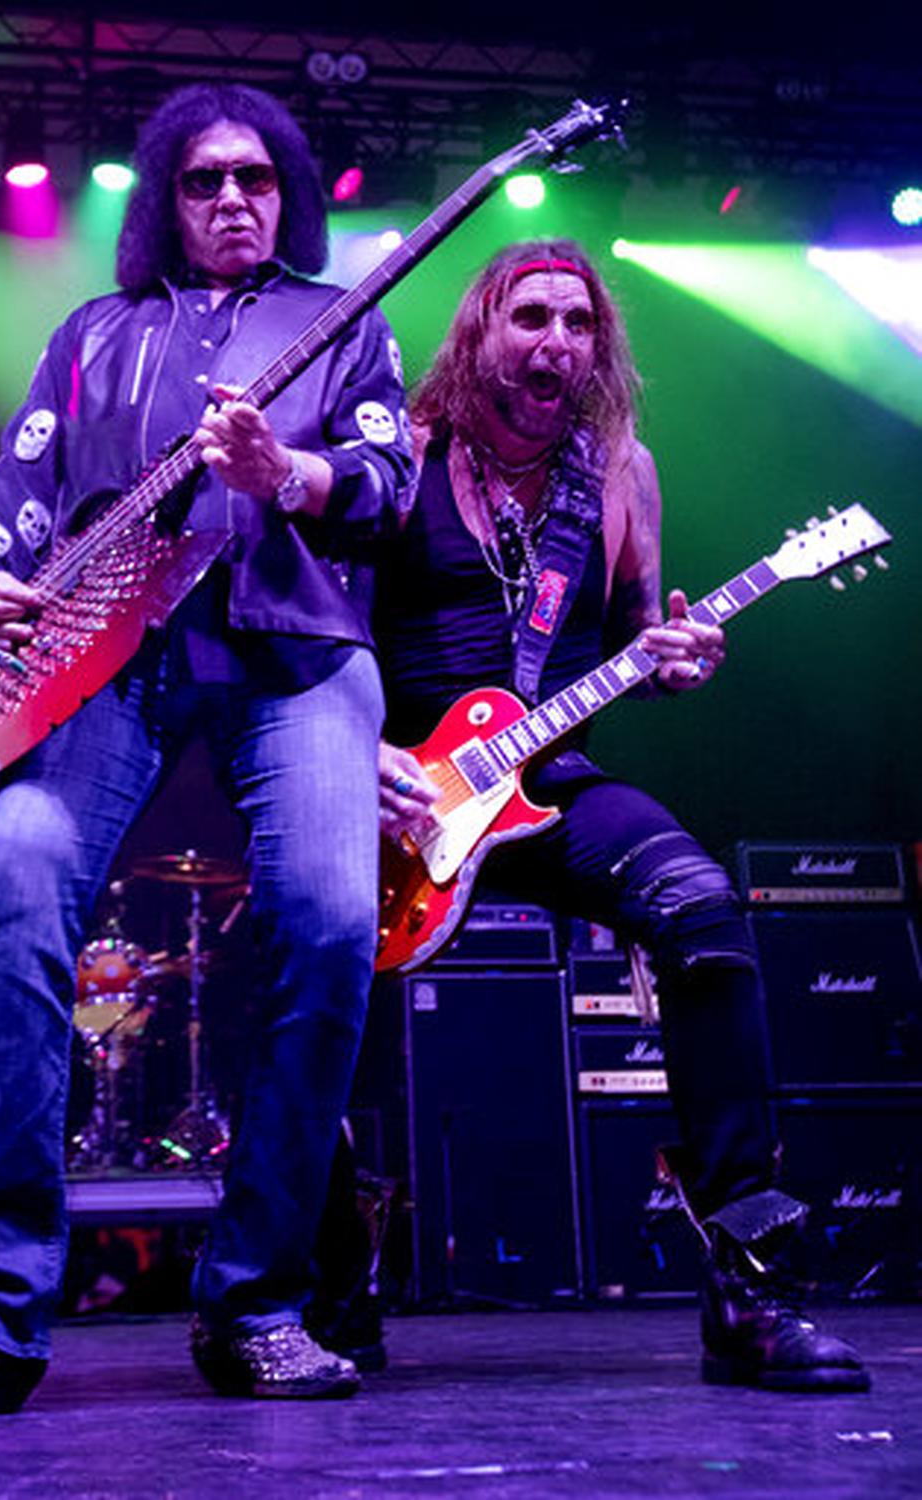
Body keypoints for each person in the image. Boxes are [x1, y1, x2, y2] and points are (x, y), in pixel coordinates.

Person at [0, 83, 412, 1424]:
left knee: (332, 926)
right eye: (204, 180)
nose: (231, 200)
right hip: (105, 661)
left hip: (297, 653)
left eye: (256, 179)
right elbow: (16, 491)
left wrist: (285, 474)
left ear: (287, 195)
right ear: (166, 199)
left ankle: (258, 1304)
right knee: (13, 897)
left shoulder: (344, 323)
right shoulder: (95, 335)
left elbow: (387, 484)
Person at [372, 239, 869, 1393]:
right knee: (316, 973)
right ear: (480, 333)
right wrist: (361, 756)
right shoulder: (404, 452)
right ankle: (323, 1289)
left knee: (703, 911)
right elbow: (324, 633)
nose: (557, 341)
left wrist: (679, 658)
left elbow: (645, 634)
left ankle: (750, 1288)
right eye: (531, 318)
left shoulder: (618, 471)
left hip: (548, 785)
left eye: (579, 322)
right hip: (394, 790)